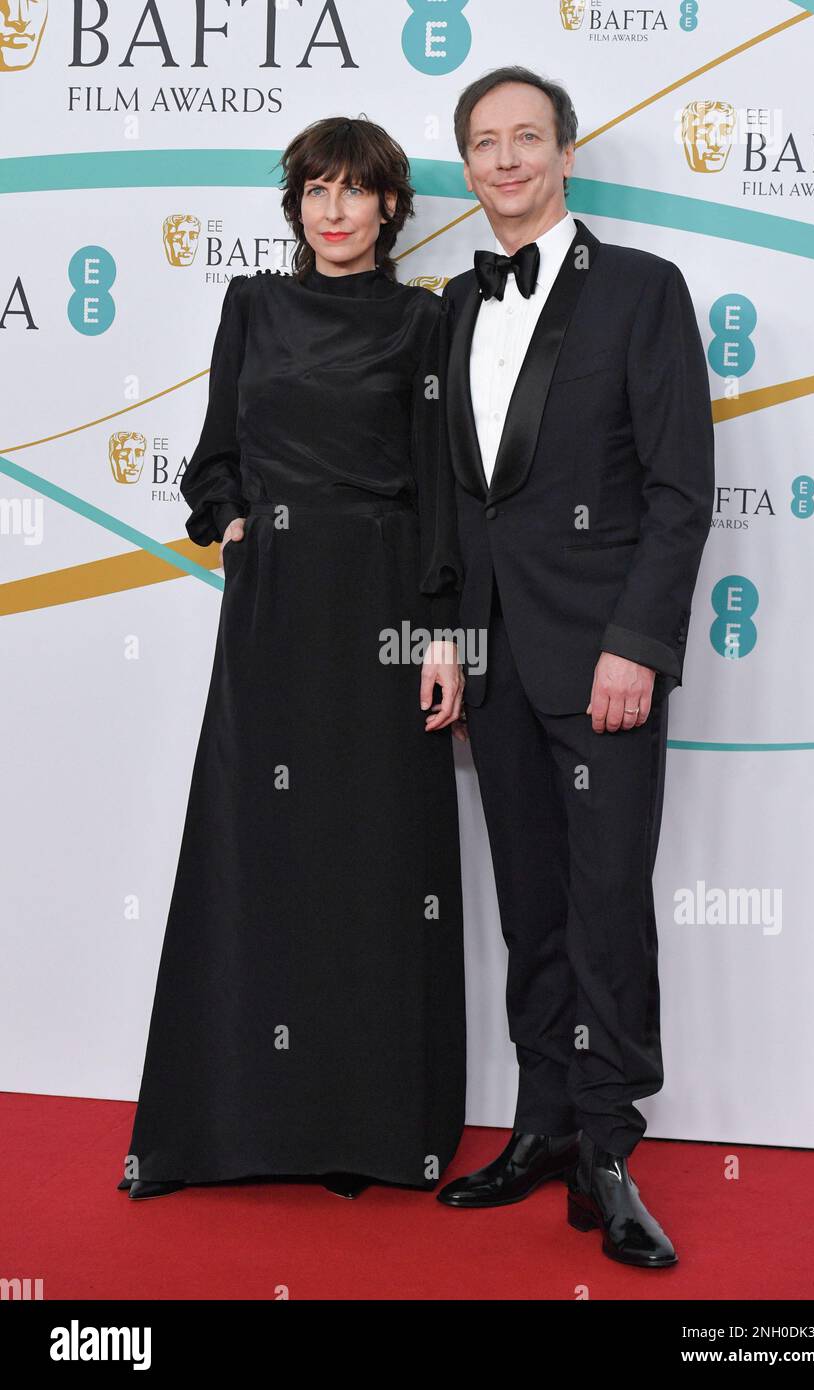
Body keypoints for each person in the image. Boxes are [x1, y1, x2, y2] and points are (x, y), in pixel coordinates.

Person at [118, 116, 466, 1202]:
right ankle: (241, 1119)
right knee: (260, 847)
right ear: (296, 204)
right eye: (315, 188)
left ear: (389, 208)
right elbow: (215, 450)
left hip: (382, 599)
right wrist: (229, 521)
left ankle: (358, 1124)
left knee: (367, 859)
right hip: (274, 607)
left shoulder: (424, 321)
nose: (333, 209)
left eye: (354, 191)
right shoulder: (251, 306)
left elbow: (443, 482)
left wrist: (443, 629)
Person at [435, 68, 715, 1267]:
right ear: (467, 166)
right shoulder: (452, 302)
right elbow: (455, 499)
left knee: (605, 908)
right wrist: (441, 638)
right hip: (492, 666)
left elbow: (676, 487)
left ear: (563, 152)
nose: (506, 160)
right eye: (485, 144)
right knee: (531, 908)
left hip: (601, 661)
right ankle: (543, 1120)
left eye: (526, 139)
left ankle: (609, 1145)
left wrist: (636, 645)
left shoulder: (642, 292)